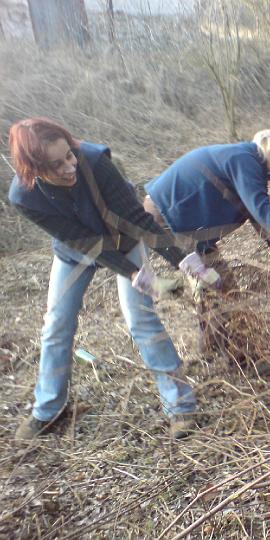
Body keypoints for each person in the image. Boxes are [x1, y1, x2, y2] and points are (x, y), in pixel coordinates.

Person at [8, 118, 220, 440]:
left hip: (125, 239)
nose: (70, 166)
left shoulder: (93, 161)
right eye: (57, 164)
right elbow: (81, 241)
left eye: (69, 155)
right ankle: (48, 410)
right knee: (56, 324)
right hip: (75, 251)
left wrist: (183, 261)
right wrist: (133, 273)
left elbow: (137, 219)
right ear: (34, 169)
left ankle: (180, 405)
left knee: (141, 319)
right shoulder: (24, 197)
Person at [143, 129, 270, 357]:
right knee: (220, 288)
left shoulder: (246, 163)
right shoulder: (244, 161)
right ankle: (239, 359)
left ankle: (212, 353)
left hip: (185, 221)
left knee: (219, 287)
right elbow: (261, 209)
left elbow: (260, 220)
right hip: (168, 217)